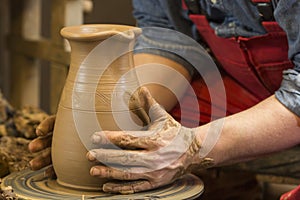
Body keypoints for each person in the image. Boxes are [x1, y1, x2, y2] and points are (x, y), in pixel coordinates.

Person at [28, 0, 300, 198]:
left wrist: (193, 148)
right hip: (253, 90)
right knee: (156, 130)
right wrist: (114, 121)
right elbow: (167, 36)